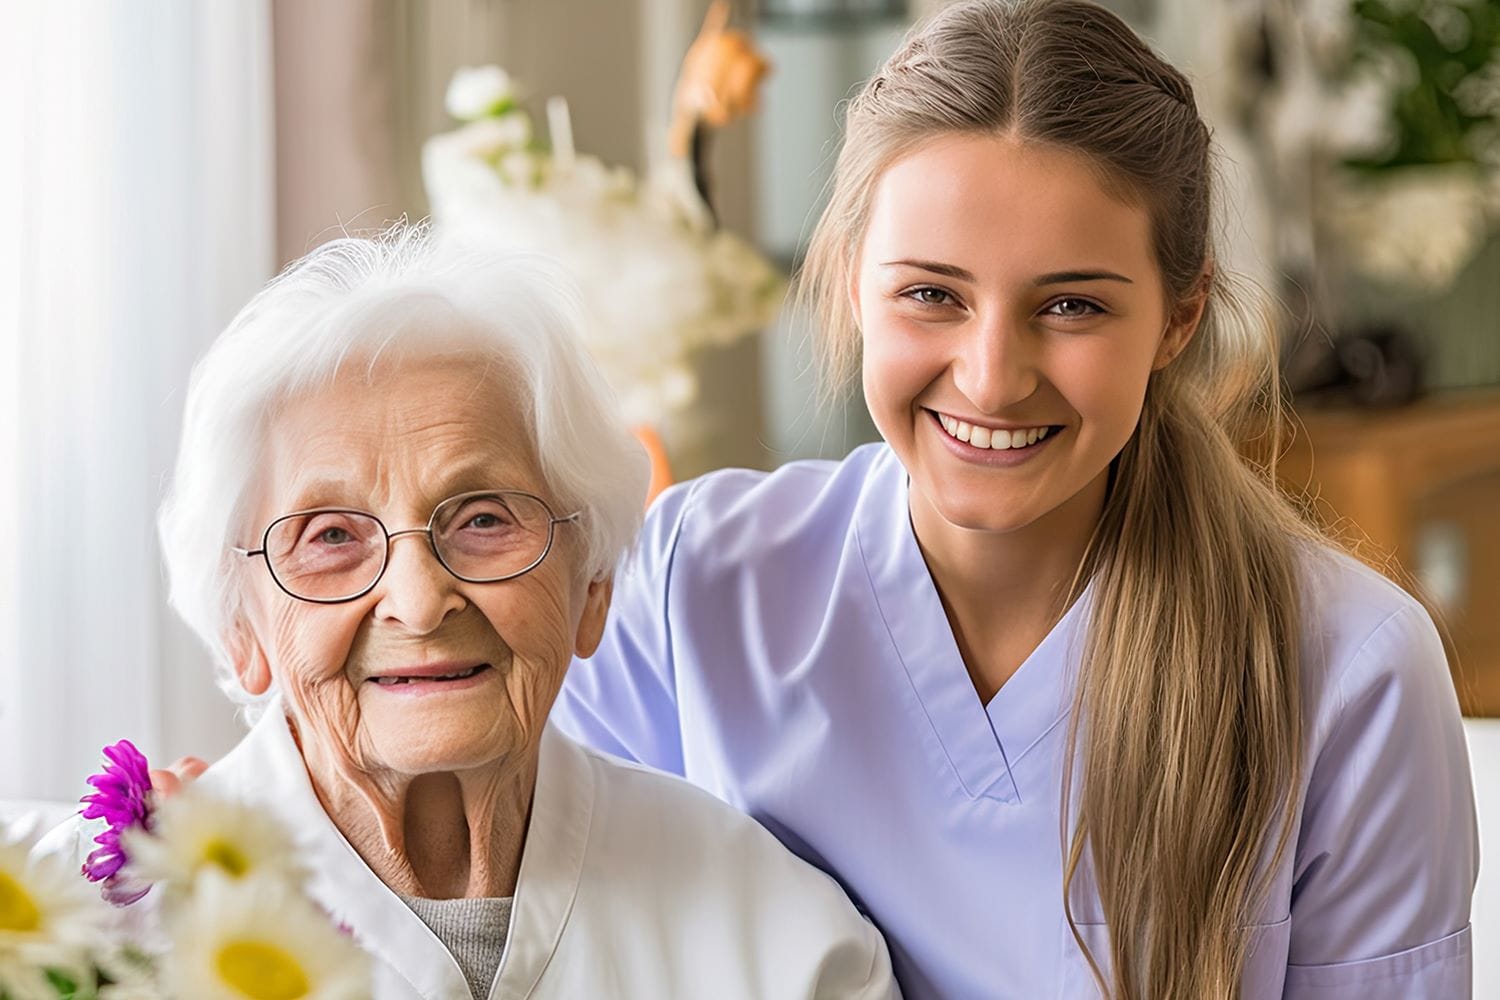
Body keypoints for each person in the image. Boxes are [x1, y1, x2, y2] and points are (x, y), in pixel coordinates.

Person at [550, 1, 1479, 997]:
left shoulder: (1349, 670)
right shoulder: (691, 583)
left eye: (1072, 305)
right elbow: (536, 935)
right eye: (932, 295)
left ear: (1179, 316)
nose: (992, 378)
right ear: (854, 281)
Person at [40, 229, 899, 1000]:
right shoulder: (72, 924)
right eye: (331, 535)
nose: (417, 602)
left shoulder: (781, 939)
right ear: (243, 628)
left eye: (484, 519)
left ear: (591, 588)